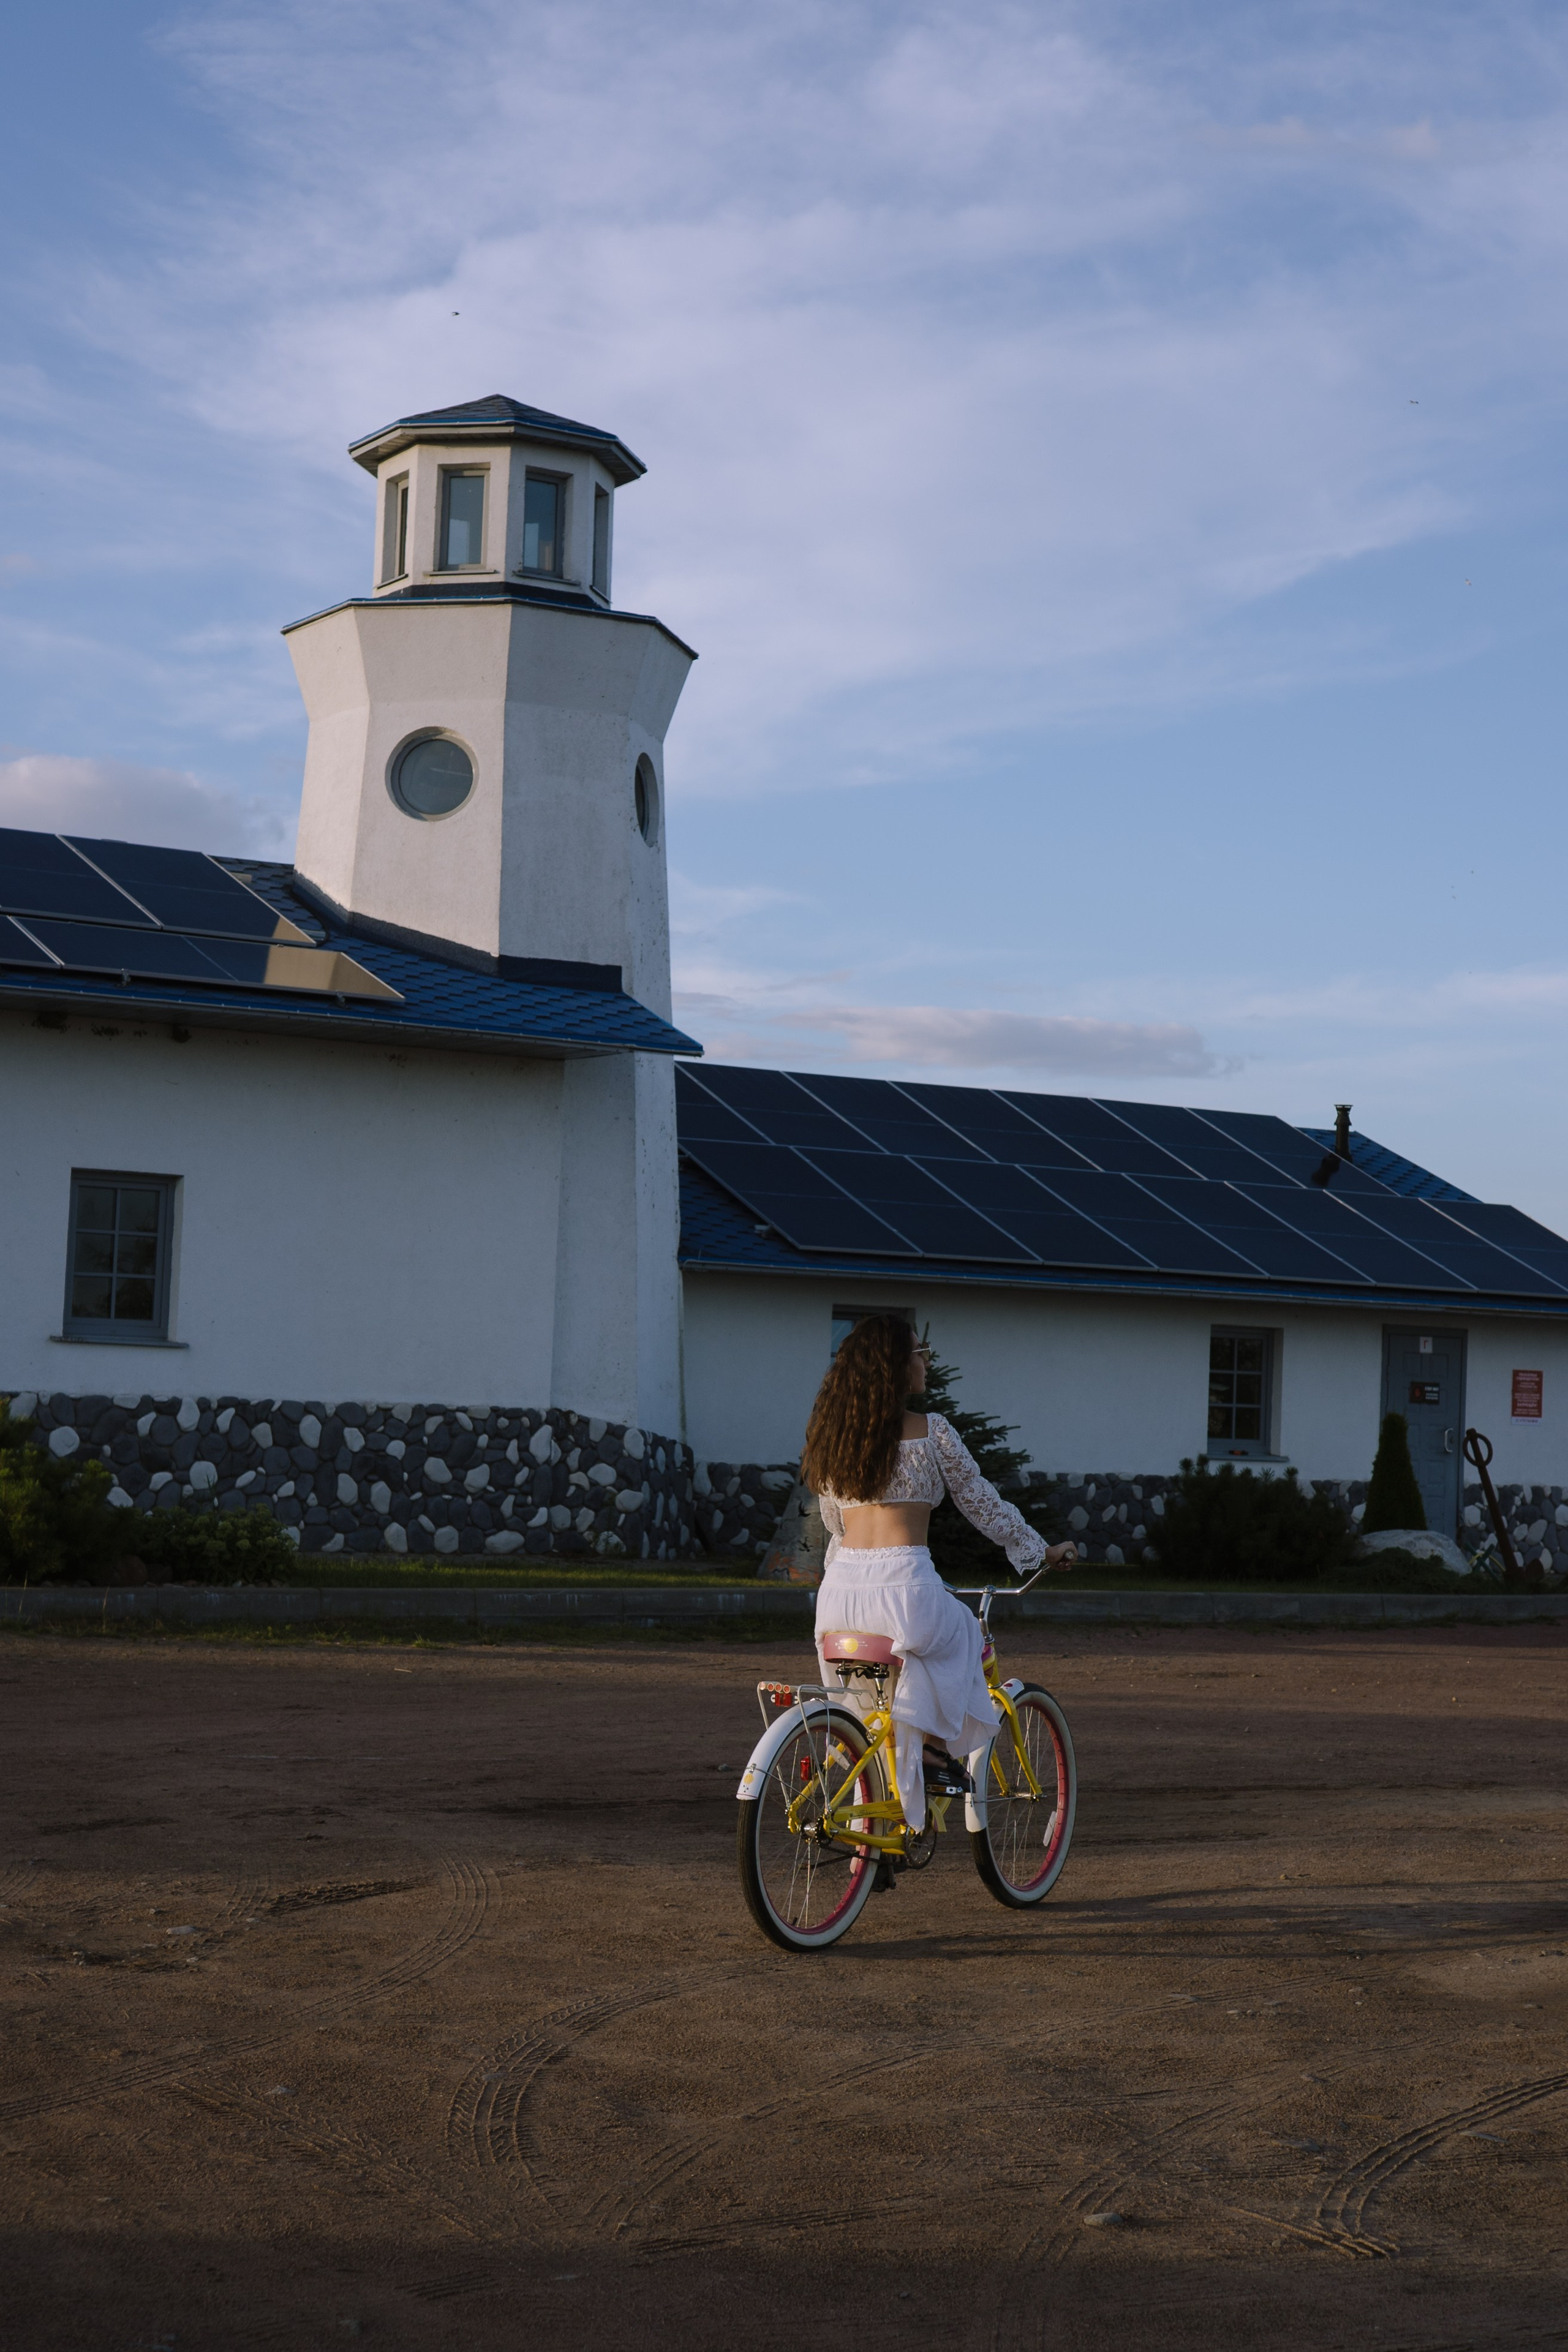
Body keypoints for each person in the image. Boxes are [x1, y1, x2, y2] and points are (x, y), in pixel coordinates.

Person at [800, 1314, 1077, 1833]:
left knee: (868, 1707)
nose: (926, 1362)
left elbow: (836, 1527)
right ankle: (930, 1753)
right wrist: (1041, 1551)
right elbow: (983, 1505)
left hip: (838, 1594)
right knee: (965, 1634)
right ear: (895, 1366)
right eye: (918, 1352)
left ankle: (874, 1807)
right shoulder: (933, 1433)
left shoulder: (836, 1443)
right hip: (906, 1586)